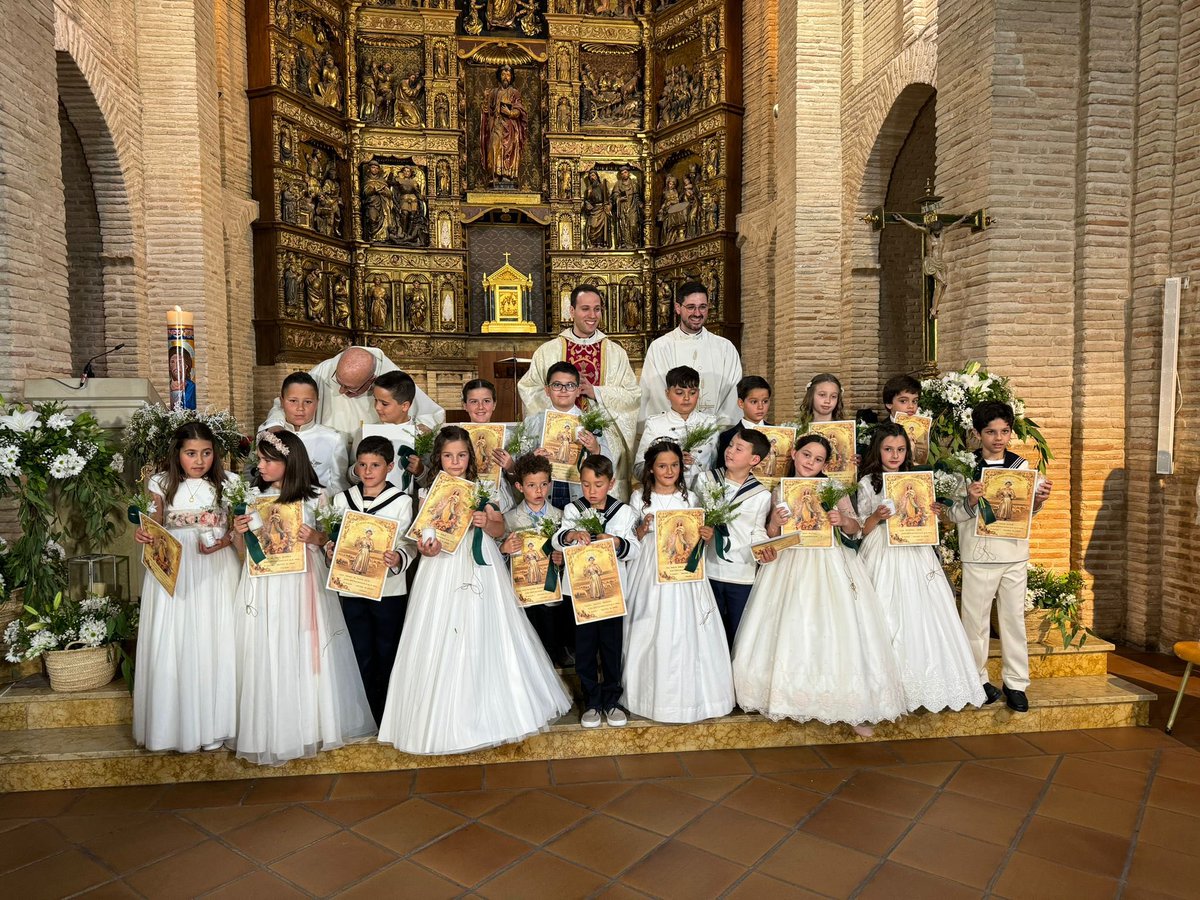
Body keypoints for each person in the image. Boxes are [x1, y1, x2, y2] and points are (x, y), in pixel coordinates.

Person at [377, 427, 571, 754]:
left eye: (461, 455)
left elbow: (499, 526)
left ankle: (493, 710)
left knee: (485, 630)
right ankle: (440, 719)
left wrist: (485, 521)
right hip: (440, 566)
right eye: (449, 456)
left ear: (470, 457)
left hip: (479, 562)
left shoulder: (483, 487)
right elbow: (420, 537)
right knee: (441, 631)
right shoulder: (429, 491)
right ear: (438, 458)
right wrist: (426, 547)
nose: (455, 461)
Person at [732, 434, 906, 736]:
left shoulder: (834, 489)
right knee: (790, 626)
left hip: (830, 562)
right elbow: (771, 533)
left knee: (837, 630)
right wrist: (774, 519)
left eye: (818, 459)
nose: (811, 463)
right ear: (796, 454)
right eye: (807, 455)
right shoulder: (779, 490)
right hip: (790, 563)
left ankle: (851, 704)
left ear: (826, 464)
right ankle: (787, 697)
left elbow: (855, 529)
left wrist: (841, 520)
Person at [231, 431, 374, 765]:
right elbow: (243, 553)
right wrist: (239, 534)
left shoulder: (316, 498)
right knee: (267, 647)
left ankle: (310, 723)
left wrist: (317, 536)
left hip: (302, 582)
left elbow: (330, 546)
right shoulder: (252, 498)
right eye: (260, 460)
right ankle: (271, 726)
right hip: (265, 583)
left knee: (304, 644)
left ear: (289, 462)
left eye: (269, 461)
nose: (261, 466)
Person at [857, 424, 986, 713]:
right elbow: (862, 530)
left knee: (921, 612)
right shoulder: (869, 483)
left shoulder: (918, 479)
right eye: (888, 449)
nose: (894, 455)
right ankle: (884, 687)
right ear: (878, 450)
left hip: (915, 551)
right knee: (883, 611)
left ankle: (925, 684)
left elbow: (926, 522)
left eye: (900, 449)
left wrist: (934, 513)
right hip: (881, 551)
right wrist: (877, 515)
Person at [132, 423, 240, 753]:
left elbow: (237, 529)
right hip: (176, 566)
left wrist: (224, 541)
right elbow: (153, 523)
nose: (199, 460)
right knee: (177, 636)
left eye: (206, 453)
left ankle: (219, 722)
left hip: (216, 566)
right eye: (191, 453)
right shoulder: (161, 483)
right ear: (177, 453)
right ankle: (174, 725)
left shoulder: (230, 483)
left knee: (215, 637)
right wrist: (144, 533)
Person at [947, 401, 1053, 713]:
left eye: (1004, 431)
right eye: (991, 432)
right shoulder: (963, 469)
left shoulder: (1022, 469)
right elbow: (952, 515)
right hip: (978, 555)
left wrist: (1038, 501)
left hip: (1014, 555)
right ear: (978, 433)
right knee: (975, 624)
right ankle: (976, 679)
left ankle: (1016, 683)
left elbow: (1026, 514)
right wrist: (969, 499)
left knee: (1013, 621)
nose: (998, 438)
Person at [625, 441, 735, 723]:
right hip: (651, 571)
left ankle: (696, 698)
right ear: (651, 468)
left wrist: (707, 535)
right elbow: (631, 540)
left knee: (689, 628)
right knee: (650, 627)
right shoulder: (639, 499)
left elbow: (698, 537)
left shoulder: (692, 499)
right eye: (662, 466)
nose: (669, 470)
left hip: (686, 573)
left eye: (674, 465)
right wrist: (643, 528)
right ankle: (650, 696)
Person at [518, 284, 641, 498]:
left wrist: (596, 392)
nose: (592, 315)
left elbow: (632, 395)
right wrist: (561, 410)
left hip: (600, 440)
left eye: (597, 309)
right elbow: (529, 389)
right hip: (556, 443)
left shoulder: (615, 353)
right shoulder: (549, 351)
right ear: (572, 311)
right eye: (585, 309)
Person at [326, 436, 415, 724]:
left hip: (388, 590)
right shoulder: (342, 500)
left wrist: (399, 557)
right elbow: (333, 539)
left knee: (387, 649)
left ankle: (389, 713)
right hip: (350, 589)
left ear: (389, 467)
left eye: (375, 465)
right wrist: (330, 550)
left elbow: (409, 543)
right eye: (362, 464)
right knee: (358, 650)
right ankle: (364, 715)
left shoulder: (401, 502)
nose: (367, 471)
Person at [552, 455, 640, 728]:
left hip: (612, 595)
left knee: (611, 648)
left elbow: (634, 549)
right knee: (586, 648)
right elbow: (557, 540)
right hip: (582, 596)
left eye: (598, 485)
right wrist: (569, 537)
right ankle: (591, 700)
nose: (592, 491)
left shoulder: (624, 513)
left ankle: (612, 700)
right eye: (586, 485)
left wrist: (615, 542)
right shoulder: (572, 510)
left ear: (611, 483)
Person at [261, 346, 444, 451]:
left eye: (349, 387)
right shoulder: (325, 371)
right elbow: (285, 402)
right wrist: (276, 424)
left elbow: (432, 414)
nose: (340, 390)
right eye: (338, 381)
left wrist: (419, 430)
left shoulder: (390, 379)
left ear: (371, 381)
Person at [693, 427, 773, 646]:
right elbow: (693, 517)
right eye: (730, 446)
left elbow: (757, 530)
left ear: (754, 459)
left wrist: (763, 551)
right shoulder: (705, 480)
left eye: (739, 449)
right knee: (708, 631)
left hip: (741, 572)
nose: (730, 452)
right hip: (707, 569)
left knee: (737, 632)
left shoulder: (761, 495)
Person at [639, 281, 742, 428]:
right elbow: (657, 395)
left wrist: (715, 430)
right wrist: (679, 428)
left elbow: (732, 396)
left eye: (703, 307)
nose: (697, 313)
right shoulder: (660, 348)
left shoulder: (725, 348)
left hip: (715, 435)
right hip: (673, 435)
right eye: (691, 307)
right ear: (678, 308)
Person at [500, 454, 568, 665]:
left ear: (550, 483)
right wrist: (505, 549)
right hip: (523, 594)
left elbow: (571, 552)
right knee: (529, 641)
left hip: (551, 593)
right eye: (531, 485)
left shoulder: (561, 516)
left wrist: (562, 558)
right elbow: (499, 555)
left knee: (551, 639)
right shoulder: (509, 519)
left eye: (543, 484)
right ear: (519, 486)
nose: (539, 491)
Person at [523, 361, 609, 509]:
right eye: (557, 385)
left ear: (578, 390)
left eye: (570, 385)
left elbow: (608, 462)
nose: (563, 390)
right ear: (547, 390)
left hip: (579, 493)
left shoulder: (590, 422)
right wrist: (533, 458)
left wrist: (596, 449)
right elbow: (519, 461)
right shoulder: (534, 422)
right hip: (543, 493)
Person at [259, 372, 348, 495]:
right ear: (282, 401)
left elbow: (339, 485)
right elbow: (253, 477)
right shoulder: (269, 434)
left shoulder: (333, 438)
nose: (300, 408)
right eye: (293, 401)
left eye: (307, 402)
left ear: (317, 402)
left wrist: (321, 501)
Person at [634, 365, 719, 490]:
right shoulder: (655, 424)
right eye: (679, 393)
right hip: (668, 495)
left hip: (703, 495)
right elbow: (638, 470)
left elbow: (715, 465)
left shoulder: (709, 423)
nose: (686, 398)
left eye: (692, 393)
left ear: (698, 393)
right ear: (667, 394)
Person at [348, 370, 425, 493]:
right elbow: (351, 477)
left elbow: (434, 481)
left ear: (405, 406)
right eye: (375, 400)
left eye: (384, 403)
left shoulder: (424, 434)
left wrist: (420, 471)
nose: (377, 407)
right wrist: (358, 469)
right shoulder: (363, 432)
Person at [715, 375, 773, 461]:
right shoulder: (728, 436)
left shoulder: (778, 433)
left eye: (765, 401)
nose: (760, 407)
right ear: (741, 403)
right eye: (754, 402)